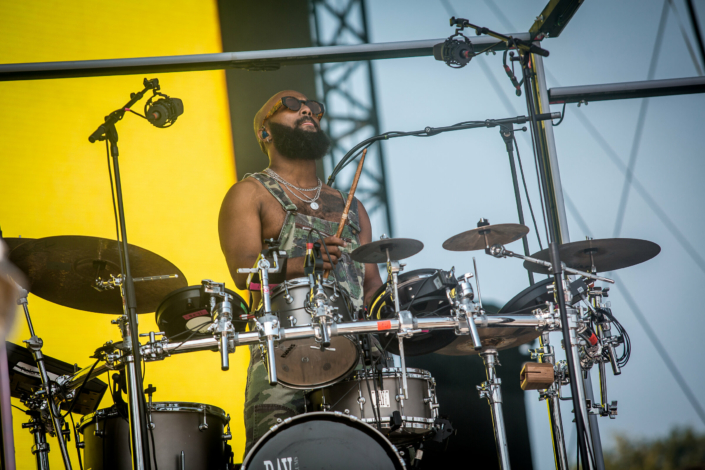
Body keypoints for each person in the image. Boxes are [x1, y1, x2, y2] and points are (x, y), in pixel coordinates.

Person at [218, 90, 383, 457]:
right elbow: (244, 271)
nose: (308, 109)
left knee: (366, 458)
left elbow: (372, 285)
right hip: (283, 356)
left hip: (357, 357)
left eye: (313, 107)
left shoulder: (351, 205)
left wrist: (398, 304)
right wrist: (306, 261)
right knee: (281, 458)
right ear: (265, 132)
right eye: (290, 105)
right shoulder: (251, 193)